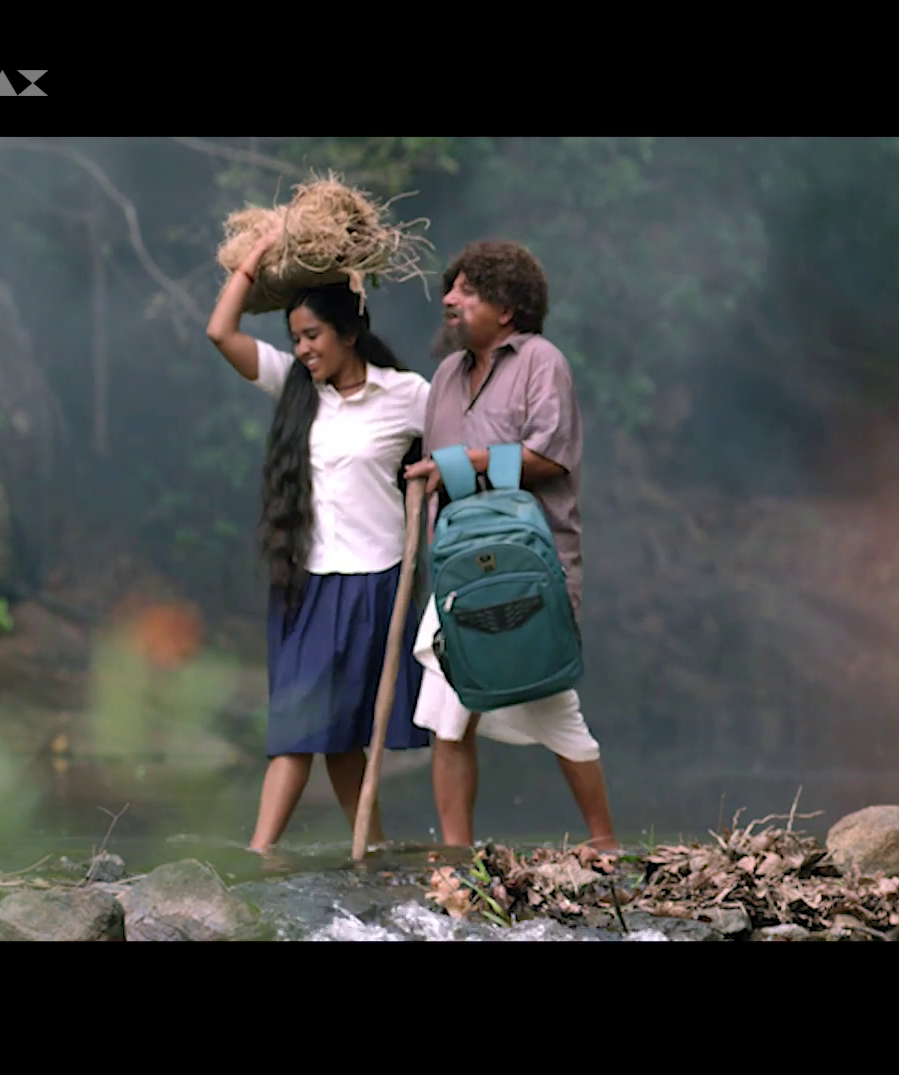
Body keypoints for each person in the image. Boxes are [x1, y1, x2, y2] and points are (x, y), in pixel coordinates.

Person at [206, 231, 431, 854]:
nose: (303, 349)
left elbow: (465, 438)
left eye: (313, 335)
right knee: (299, 727)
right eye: (296, 338)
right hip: (306, 584)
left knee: (340, 735)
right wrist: (256, 257)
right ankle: (266, 853)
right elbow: (220, 332)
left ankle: (365, 852)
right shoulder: (296, 387)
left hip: (374, 582)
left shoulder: (406, 395)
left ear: (348, 333)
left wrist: (439, 469)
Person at [402, 239, 619, 854]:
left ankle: (604, 843)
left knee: (553, 702)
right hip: (458, 566)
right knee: (447, 712)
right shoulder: (446, 375)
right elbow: (441, 469)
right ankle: (457, 855)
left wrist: (465, 463)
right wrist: (430, 476)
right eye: (451, 288)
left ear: (507, 307)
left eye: (468, 291)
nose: (450, 299)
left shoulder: (541, 362)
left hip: (529, 565)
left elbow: (550, 457)